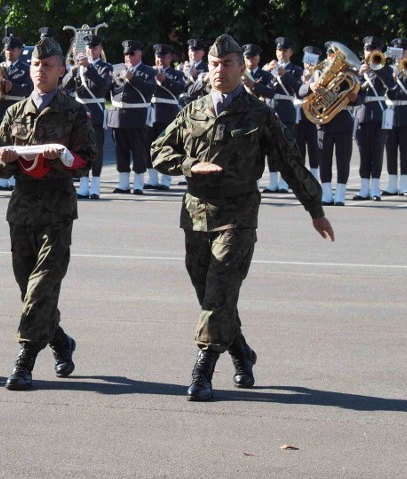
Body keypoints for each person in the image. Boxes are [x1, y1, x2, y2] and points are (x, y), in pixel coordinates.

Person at [150, 34, 334, 401]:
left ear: (241, 67)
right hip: (196, 215)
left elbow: (290, 161)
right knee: (209, 294)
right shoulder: (194, 109)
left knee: (219, 291)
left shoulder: (259, 114)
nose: (220, 70)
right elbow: (158, 151)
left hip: (238, 214)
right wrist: (189, 165)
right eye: (214, 64)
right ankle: (242, 352)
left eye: (228, 64)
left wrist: (314, 208)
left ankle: (203, 369)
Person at [0, 37, 96, 390]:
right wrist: (5, 160)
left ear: (62, 71)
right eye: (36, 65)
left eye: (48, 65)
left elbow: (87, 160)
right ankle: (61, 342)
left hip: (57, 210)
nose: (40, 70)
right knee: (28, 290)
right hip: (21, 210)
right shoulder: (15, 112)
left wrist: (63, 158)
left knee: (41, 288)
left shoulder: (74, 111)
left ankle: (25, 360)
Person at [300, 42, 362, 206]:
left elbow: (360, 97)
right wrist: (311, 86)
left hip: (343, 121)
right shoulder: (318, 73)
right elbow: (301, 91)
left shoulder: (350, 75)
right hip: (323, 123)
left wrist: (354, 99)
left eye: (335, 56)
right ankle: (326, 194)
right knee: (324, 159)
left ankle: (340, 194)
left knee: (343, 159)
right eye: (330, 55)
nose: (333, 59)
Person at [61, 34, 112, 199]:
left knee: (96, 149)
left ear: (100, 49)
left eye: (94, 48)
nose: (91, 50)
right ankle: (83, 184)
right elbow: (65, 85)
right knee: (80, 149)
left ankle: (95, 186)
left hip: (95, 112)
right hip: (79, 113)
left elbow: (103, 86)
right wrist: (74, 70)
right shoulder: (79, 68)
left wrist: (89, 68)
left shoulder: (105, 67)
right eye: (89, 48)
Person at [108, 40, 156, 194]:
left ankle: (138, 184)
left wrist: (132, 78)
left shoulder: (148, 71)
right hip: (118, 117)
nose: (128, 57)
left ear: (139, 54)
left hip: (137, 116)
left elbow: (150, 90)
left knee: (139, 150)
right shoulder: (117, 70)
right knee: (120, 151)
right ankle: (123, 184)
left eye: (131, 53)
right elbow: (106, 90)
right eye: (126, 54)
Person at [353, 36, 396, 201]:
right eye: (367, 49)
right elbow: (353, 93)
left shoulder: (385, 68)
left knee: (377, 152)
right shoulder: (358, 69)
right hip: (362, 114)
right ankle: (364, 189)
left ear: (378, 51)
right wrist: (359, 74)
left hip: (379, 114)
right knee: (364, 153)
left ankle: (375, 189)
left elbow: (390, 84)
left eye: (372, 49)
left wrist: (375, 67)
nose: (369, 52)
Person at [262, 36, 304, 193]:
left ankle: (285, 182)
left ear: (291, 52)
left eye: (285, 50)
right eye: (279, 50)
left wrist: (285, 74)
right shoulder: (269, 67)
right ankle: (273, 182)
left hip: (286, 110)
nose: (282, 53)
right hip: (271, 109)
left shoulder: (296, 70)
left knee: (286, 148)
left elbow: (299, 90)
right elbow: (262, 87)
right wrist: (265, 72)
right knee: (271, 147)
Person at [0, 35, 33, 192]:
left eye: (13, 49)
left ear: (19, 51)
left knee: (17, 145)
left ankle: (16, 178)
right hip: (1, 108)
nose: (9, 52)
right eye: (7, 49)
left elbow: (29, 90)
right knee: (2, 144)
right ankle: (3, 179)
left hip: (18, 108)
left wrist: (13, 86)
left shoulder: (25, 69)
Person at [384, 38, 407, 197]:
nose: (400, 54)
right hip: (391, 112)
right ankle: (392, 184)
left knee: (405, 150)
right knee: (390, 150)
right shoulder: (389, 68)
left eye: (403, 51)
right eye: (397, 51)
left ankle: (404, 185)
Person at [147, 43, 186, 190]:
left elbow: (180, 89)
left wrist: (164, 80)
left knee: (167, 147)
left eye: (163, 57)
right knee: (149, 147)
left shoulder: (177, 74)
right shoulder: (149, 72)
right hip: (151, 114)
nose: (160, 60)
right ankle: (152, 179)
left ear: (170, 58)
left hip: (168, 114)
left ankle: (166, 179)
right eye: (158, 57)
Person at [297, 46, 323, 179]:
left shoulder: (320, 75)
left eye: (312, 60)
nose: (309, 63)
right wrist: (304, 80)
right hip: (299, 115)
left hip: (313, 115)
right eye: (307, 60)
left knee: (314, 147)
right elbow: (296, 91)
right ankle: (301, 175)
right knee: (299, 146)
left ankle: (314, 175)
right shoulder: (298, 73)